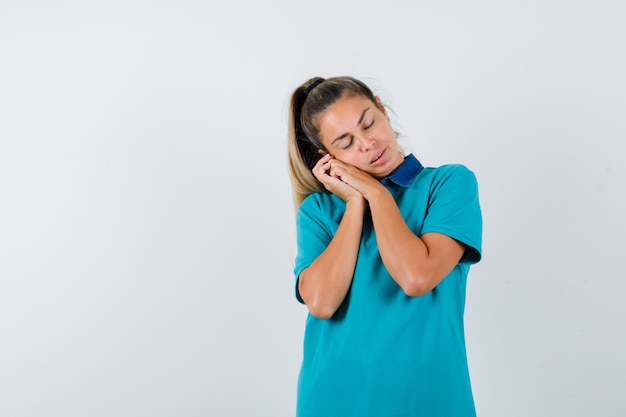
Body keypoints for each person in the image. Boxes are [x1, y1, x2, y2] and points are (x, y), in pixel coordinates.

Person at [287, 76, 483, 417]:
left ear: (382, 108)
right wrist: (353, 203)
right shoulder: (318, 212)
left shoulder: (448, 184)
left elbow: (416, 276)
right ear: (327, 156)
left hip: (429, 400)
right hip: (333, 402)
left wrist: (375, 192)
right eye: (345, 143)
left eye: (368, 123)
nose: (367, 144)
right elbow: (320, 303)